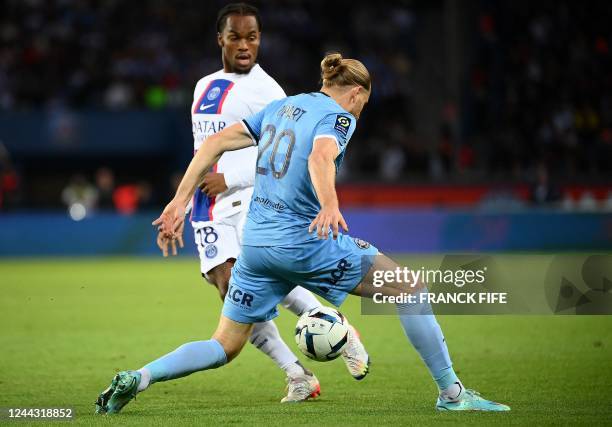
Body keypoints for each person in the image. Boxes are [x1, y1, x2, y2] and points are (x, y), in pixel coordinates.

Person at [96, 52, 510, 413]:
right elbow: (321, 155)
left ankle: (139, 377)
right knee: (411, 289)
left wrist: (178, 201)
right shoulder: (340, 115)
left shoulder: (283, 106)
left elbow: (213, 144)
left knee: (224, 345)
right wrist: (329, 203)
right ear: (354, 94)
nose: (359, 112)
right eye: (362, 104)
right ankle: (452, 395)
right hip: (303, 241)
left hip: (256, 246)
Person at [98, 3, 368, 410]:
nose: (245, 45)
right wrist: (182, 203)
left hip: (251, 202)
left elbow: (286, 154)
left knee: (247, 282)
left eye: (253, 37)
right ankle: (299, 372)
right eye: (237, 36)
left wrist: (233, 178)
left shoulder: (270, 90)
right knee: (232, 291)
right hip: (209, 210)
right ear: (220, 39)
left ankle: (332, 330)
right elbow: (204, 147)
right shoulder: (204, 85)